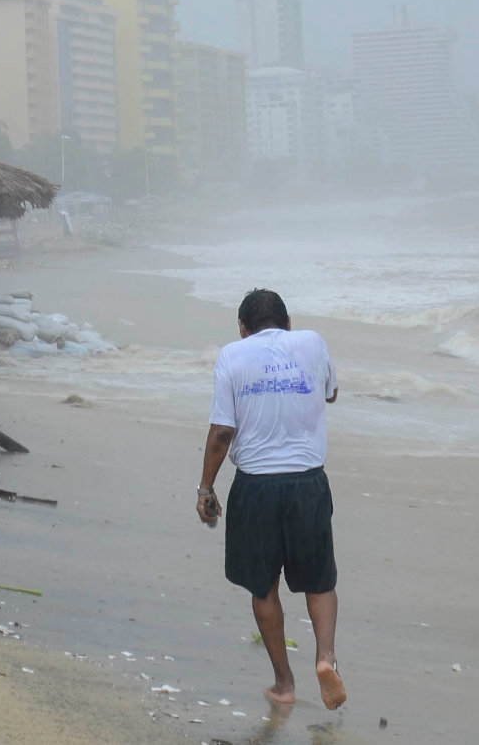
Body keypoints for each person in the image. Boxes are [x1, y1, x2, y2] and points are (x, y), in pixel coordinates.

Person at [195, 288, 345, 710]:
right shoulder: (312, 343)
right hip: (308, 483)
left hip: (257, 487)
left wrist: (206, 488)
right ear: (288, 323)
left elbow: (222, 432)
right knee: (320, 582)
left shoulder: (232, 355)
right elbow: (331, 393)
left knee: (264, 587)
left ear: (243, 330)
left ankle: (284, 684)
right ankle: (326, 658)